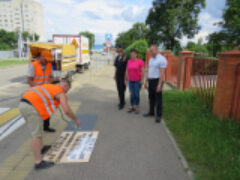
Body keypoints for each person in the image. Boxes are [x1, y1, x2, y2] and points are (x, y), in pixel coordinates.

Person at [18, 79, 81, 170]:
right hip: (32, 109)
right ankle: (38, 162)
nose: (66, 92)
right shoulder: (60, 92)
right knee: (36, 135)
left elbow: (31, 91)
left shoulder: (48, 86)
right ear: (65, 86)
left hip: (23, 105)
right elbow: (66, 111)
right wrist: (76, 119)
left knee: (38, 130)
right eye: (67, 90)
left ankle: (42, 147)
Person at [27, 50, 55, 133]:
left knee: (47, 109)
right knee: (36, 112)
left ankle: (46, 127)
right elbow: (29, 80)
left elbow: (51, 77)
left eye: (49, 60)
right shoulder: (33, 65)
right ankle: (36, 129)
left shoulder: (49, 65)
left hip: (46, 92)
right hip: (35, 93)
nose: (47, 62)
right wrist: (38, 88)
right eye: (46, 60)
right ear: (41, 57)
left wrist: (50, 82)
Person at [144, 45, 167, 123]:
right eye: (150, 50)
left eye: (152, 50)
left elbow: (162, 74)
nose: (150, 52)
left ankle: (159, 116)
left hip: (157, 81)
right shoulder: (151, 59)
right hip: (150, 80)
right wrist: (146, 82)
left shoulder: (162, 59)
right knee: (151, 98)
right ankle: (151, 112)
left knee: (158, 100)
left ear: (157, 50)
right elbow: (149, 71)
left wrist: (159, 85)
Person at [125, 49, 145, 114]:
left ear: (136, 54)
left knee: (136, 94)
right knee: (131, 94)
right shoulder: (129, 61)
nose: (132, 55)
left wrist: (142, 79)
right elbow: (127, 70)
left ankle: (137, 106)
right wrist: (126, 79)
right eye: (131, 54)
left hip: (137, 80)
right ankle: (132, 106)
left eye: (133, 54)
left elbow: (143, 71)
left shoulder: (140, 61)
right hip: (130, 80)